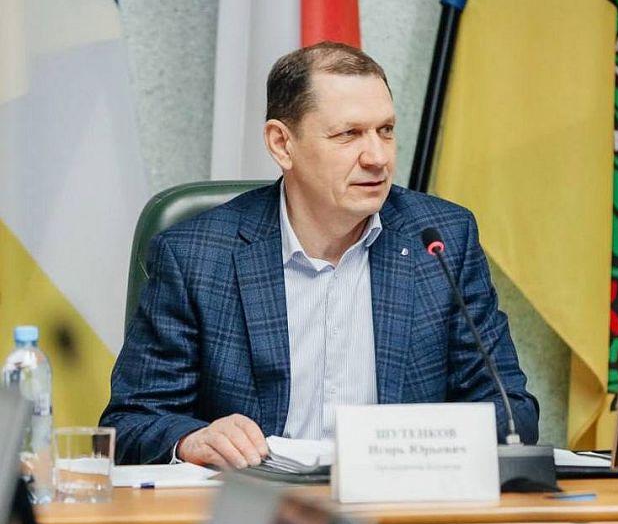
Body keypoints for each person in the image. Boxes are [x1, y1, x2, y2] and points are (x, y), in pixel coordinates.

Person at [100, 42, 539, 467]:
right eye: (348, 134)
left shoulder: (441, 241)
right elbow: (131, 423)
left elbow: (511, 411)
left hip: (400, 505)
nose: (377, 157)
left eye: (385, 131)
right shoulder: (196, 256)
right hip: (257, 505)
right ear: (282, 143)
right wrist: (192, 439)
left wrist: (420, 446)